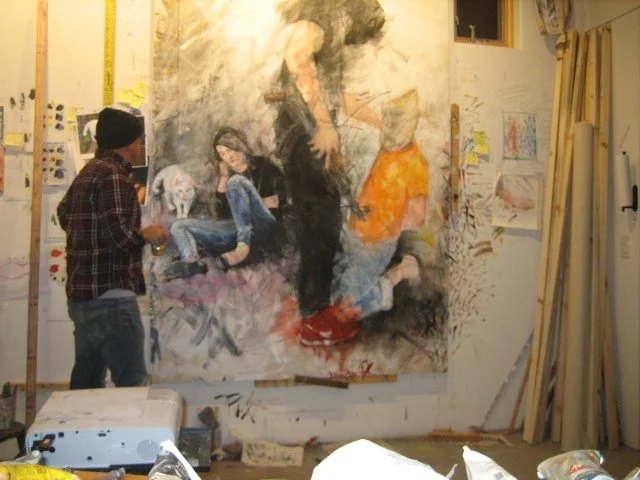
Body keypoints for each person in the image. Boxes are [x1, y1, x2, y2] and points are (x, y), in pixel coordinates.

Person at [274, 0, 386, 318]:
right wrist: (323, 126)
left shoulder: (317, 65)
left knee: (327, 233)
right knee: (317, 236)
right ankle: (313, 310)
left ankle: (316, 305)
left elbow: (336, 96)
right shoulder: (289, 72)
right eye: (304, 49)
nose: (308, 56)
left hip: (318, 162)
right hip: (304, 159)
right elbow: (300, 97)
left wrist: (378, 121)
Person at [299, 89, 429, 347]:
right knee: (331, 290)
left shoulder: (416, 164)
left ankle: (399, 273)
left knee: (348, 306)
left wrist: (385, 222)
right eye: (387, 120)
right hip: (353, 231)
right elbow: (351, 107)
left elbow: (417, 218)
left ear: (411, 125)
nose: (387, 127)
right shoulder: (388, 139)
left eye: (395, 123)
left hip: (377, 242)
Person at [57, 107, 166, 389]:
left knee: (86, 383)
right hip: (111, 300)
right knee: (131, 383)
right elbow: (121, 239)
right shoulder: (114, 176)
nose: (141, 145)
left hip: (82, 298)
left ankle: (78, 420)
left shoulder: (89, 173)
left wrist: (90, 237)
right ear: (130, 143)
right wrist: (148, 234)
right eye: (139, 140)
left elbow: (64, 214)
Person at [163, 127, 288, 280]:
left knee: (236, 182)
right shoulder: (228, 176)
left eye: (229, 150)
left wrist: (249, 204)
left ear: (239, 145)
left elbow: (286, 197)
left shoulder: (263, 164)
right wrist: (223, 178)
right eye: (222, 154)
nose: (228, 157)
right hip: (236, 229)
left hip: (265, 226)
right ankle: (192, 262)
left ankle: (242, 248)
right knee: (178, 225)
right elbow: (222, 215)